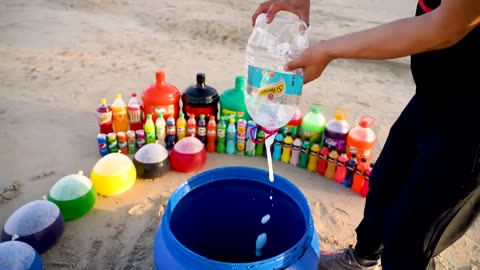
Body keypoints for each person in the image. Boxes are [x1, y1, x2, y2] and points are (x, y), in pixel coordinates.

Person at [252, 0, 480, 269]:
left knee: (411, 236)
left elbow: (447, 27)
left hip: (472, 118)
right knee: (386, 182)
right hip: (432, 93)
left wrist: (328, 49)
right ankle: (363, 258)